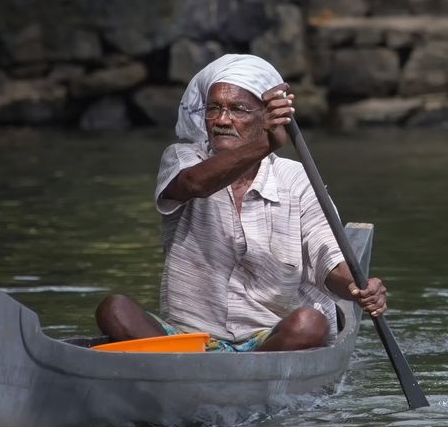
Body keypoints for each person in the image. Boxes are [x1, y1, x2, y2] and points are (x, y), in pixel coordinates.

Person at [95, 54, 388, 352]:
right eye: (214, 109)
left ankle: (243, 371)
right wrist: (265, 144)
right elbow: (193, 185)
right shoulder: (183, 159)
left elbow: (328, 261)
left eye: (238, 109)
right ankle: (190, 368)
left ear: (265, 117)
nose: (222, 120)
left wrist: (358, 288)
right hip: (187, 341)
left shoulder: (295, 178)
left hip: (269, 338)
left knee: (309, 324)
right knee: (114, 310)